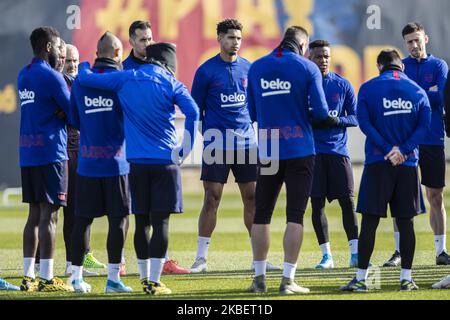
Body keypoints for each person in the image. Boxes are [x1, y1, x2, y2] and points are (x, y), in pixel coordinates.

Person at [77, 41, 199, 295]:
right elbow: (194, 112)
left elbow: (88, 78)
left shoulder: (126, 78)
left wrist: (84, 63)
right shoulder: (170, 82)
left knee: (142, 221)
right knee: (161, 223)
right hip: (165, 163)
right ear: (168, 64)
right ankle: (153, 282)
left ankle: (144, 278)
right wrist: (183, 150)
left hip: (135, 165)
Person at [190, 19, 279, 273]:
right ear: (219, 38)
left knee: (253, 198)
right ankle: (201, 259)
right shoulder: (206, 71)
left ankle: (258, 260)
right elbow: (195, 109)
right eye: (230, 37)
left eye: (239, 38)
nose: (235, 42)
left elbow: (256, 107)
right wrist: (205, 133)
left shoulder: (249, 69)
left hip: (247, 145)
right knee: (211, 198)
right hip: (216, 144)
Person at [247, 26, 331, 294]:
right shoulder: (308, 69)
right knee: (295, 215)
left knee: (262, 214)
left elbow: (250, 111)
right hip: (300, 148)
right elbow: (320, 112)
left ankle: (259, 280)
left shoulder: (257, 67)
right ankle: (287, 280)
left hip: (269, 144)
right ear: (303, 45)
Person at [340, 49, 431, 292]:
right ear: (401, 66)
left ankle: (361, 279)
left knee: (369, 222)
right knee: (406, 223)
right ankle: (406, 279)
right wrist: (404, 150)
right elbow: (424, 127)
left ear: (379, 65)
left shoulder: (368, 88)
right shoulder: (417, 90)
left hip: (377, 163)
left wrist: (387, 148)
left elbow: (364, 123)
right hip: (408, 164)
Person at [123, 21, 189, 275]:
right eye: (142, 40)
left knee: (157, 215)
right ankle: (122, 262)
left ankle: (160, 262)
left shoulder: (163, 67)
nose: (147, 44)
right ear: (130, 41)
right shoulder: (124, 70)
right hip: (133, 154)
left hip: (159, 152)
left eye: (149, 39)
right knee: (134, 214)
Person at [69, 32, 131, 294]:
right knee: (119, 220)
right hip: (116, 163)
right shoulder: (122, 81)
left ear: (97, 52)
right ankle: (113, 280)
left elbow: (73, 119)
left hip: (87, 164)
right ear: (117, 53)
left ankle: (76, 279)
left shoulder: (81, 82)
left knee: (81, 220)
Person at [384, 22, 449, 267]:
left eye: (417, 39)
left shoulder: (439, 65)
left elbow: (442, 97)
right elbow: (396, 97)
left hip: (432, 139)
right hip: (405, 141)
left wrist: (414, 92)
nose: (414, 44)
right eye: (409, 41)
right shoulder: (400, 66)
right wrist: (426, 92)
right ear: (405, 44)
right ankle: (399, 251)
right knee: (400, 197)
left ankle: (441, 251)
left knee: (435, 196)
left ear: (426, 39)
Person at [18, 26, 73, 292]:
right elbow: (74, 114)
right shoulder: (52, 77)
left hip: (28, 153)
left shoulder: (23, 75)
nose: (61, 52)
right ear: (48, 47)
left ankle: (28, 277)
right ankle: (48, 278)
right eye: (59, 46)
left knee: (34, 215)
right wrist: (65, 112)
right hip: (52, 153)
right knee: (50, 217)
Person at [308, 40, 359, 269]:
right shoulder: (305, 86)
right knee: (316, 204)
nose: (323, 60)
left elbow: (356, 117)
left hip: (338, 152)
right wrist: (312, 120)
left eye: (326, 56)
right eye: (318, 56)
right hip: (313, 154)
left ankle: (355, 254)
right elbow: (297, 117)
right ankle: (326, 256)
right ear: (310, 58)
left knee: (348, 202)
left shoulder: (342, 85)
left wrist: (336, 120)